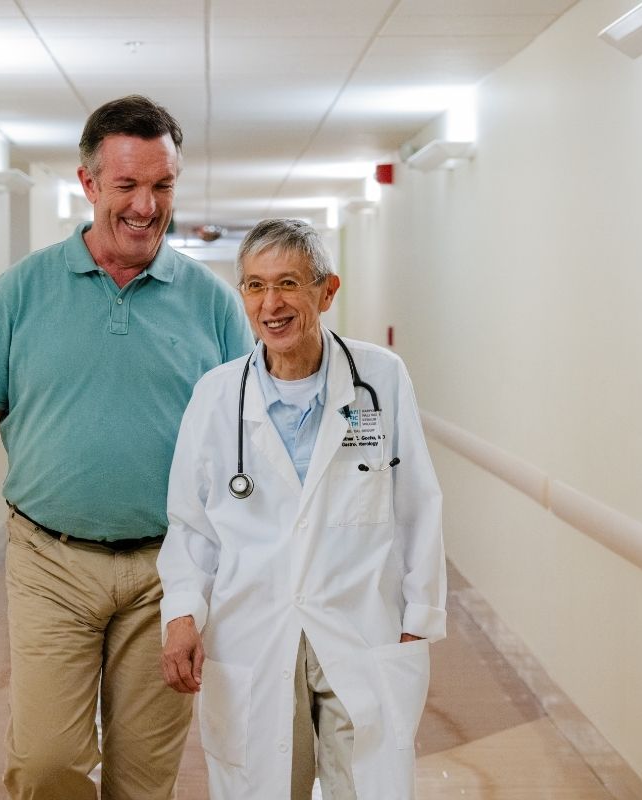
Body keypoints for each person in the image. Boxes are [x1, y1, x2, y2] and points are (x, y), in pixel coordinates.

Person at [0, 95, 253, 800]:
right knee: (48, 763)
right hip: (52, 560)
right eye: (127, 185)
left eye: (163, 186)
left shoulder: (212, 304)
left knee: (144, 779)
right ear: (88, 184)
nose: (147, 205)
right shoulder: (21, 292)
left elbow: (248, 449)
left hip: (170, 571)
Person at [158, 218, 446, 799]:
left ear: (327, 291)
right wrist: (183, 612)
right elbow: (191, 526)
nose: (272, 304)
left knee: (366, 787)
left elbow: (417, 503)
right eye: (256, 286)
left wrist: (418, 622)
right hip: (254, 631)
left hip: (361, 625)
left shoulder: (380, 379)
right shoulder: (215, 395)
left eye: (289, 283)